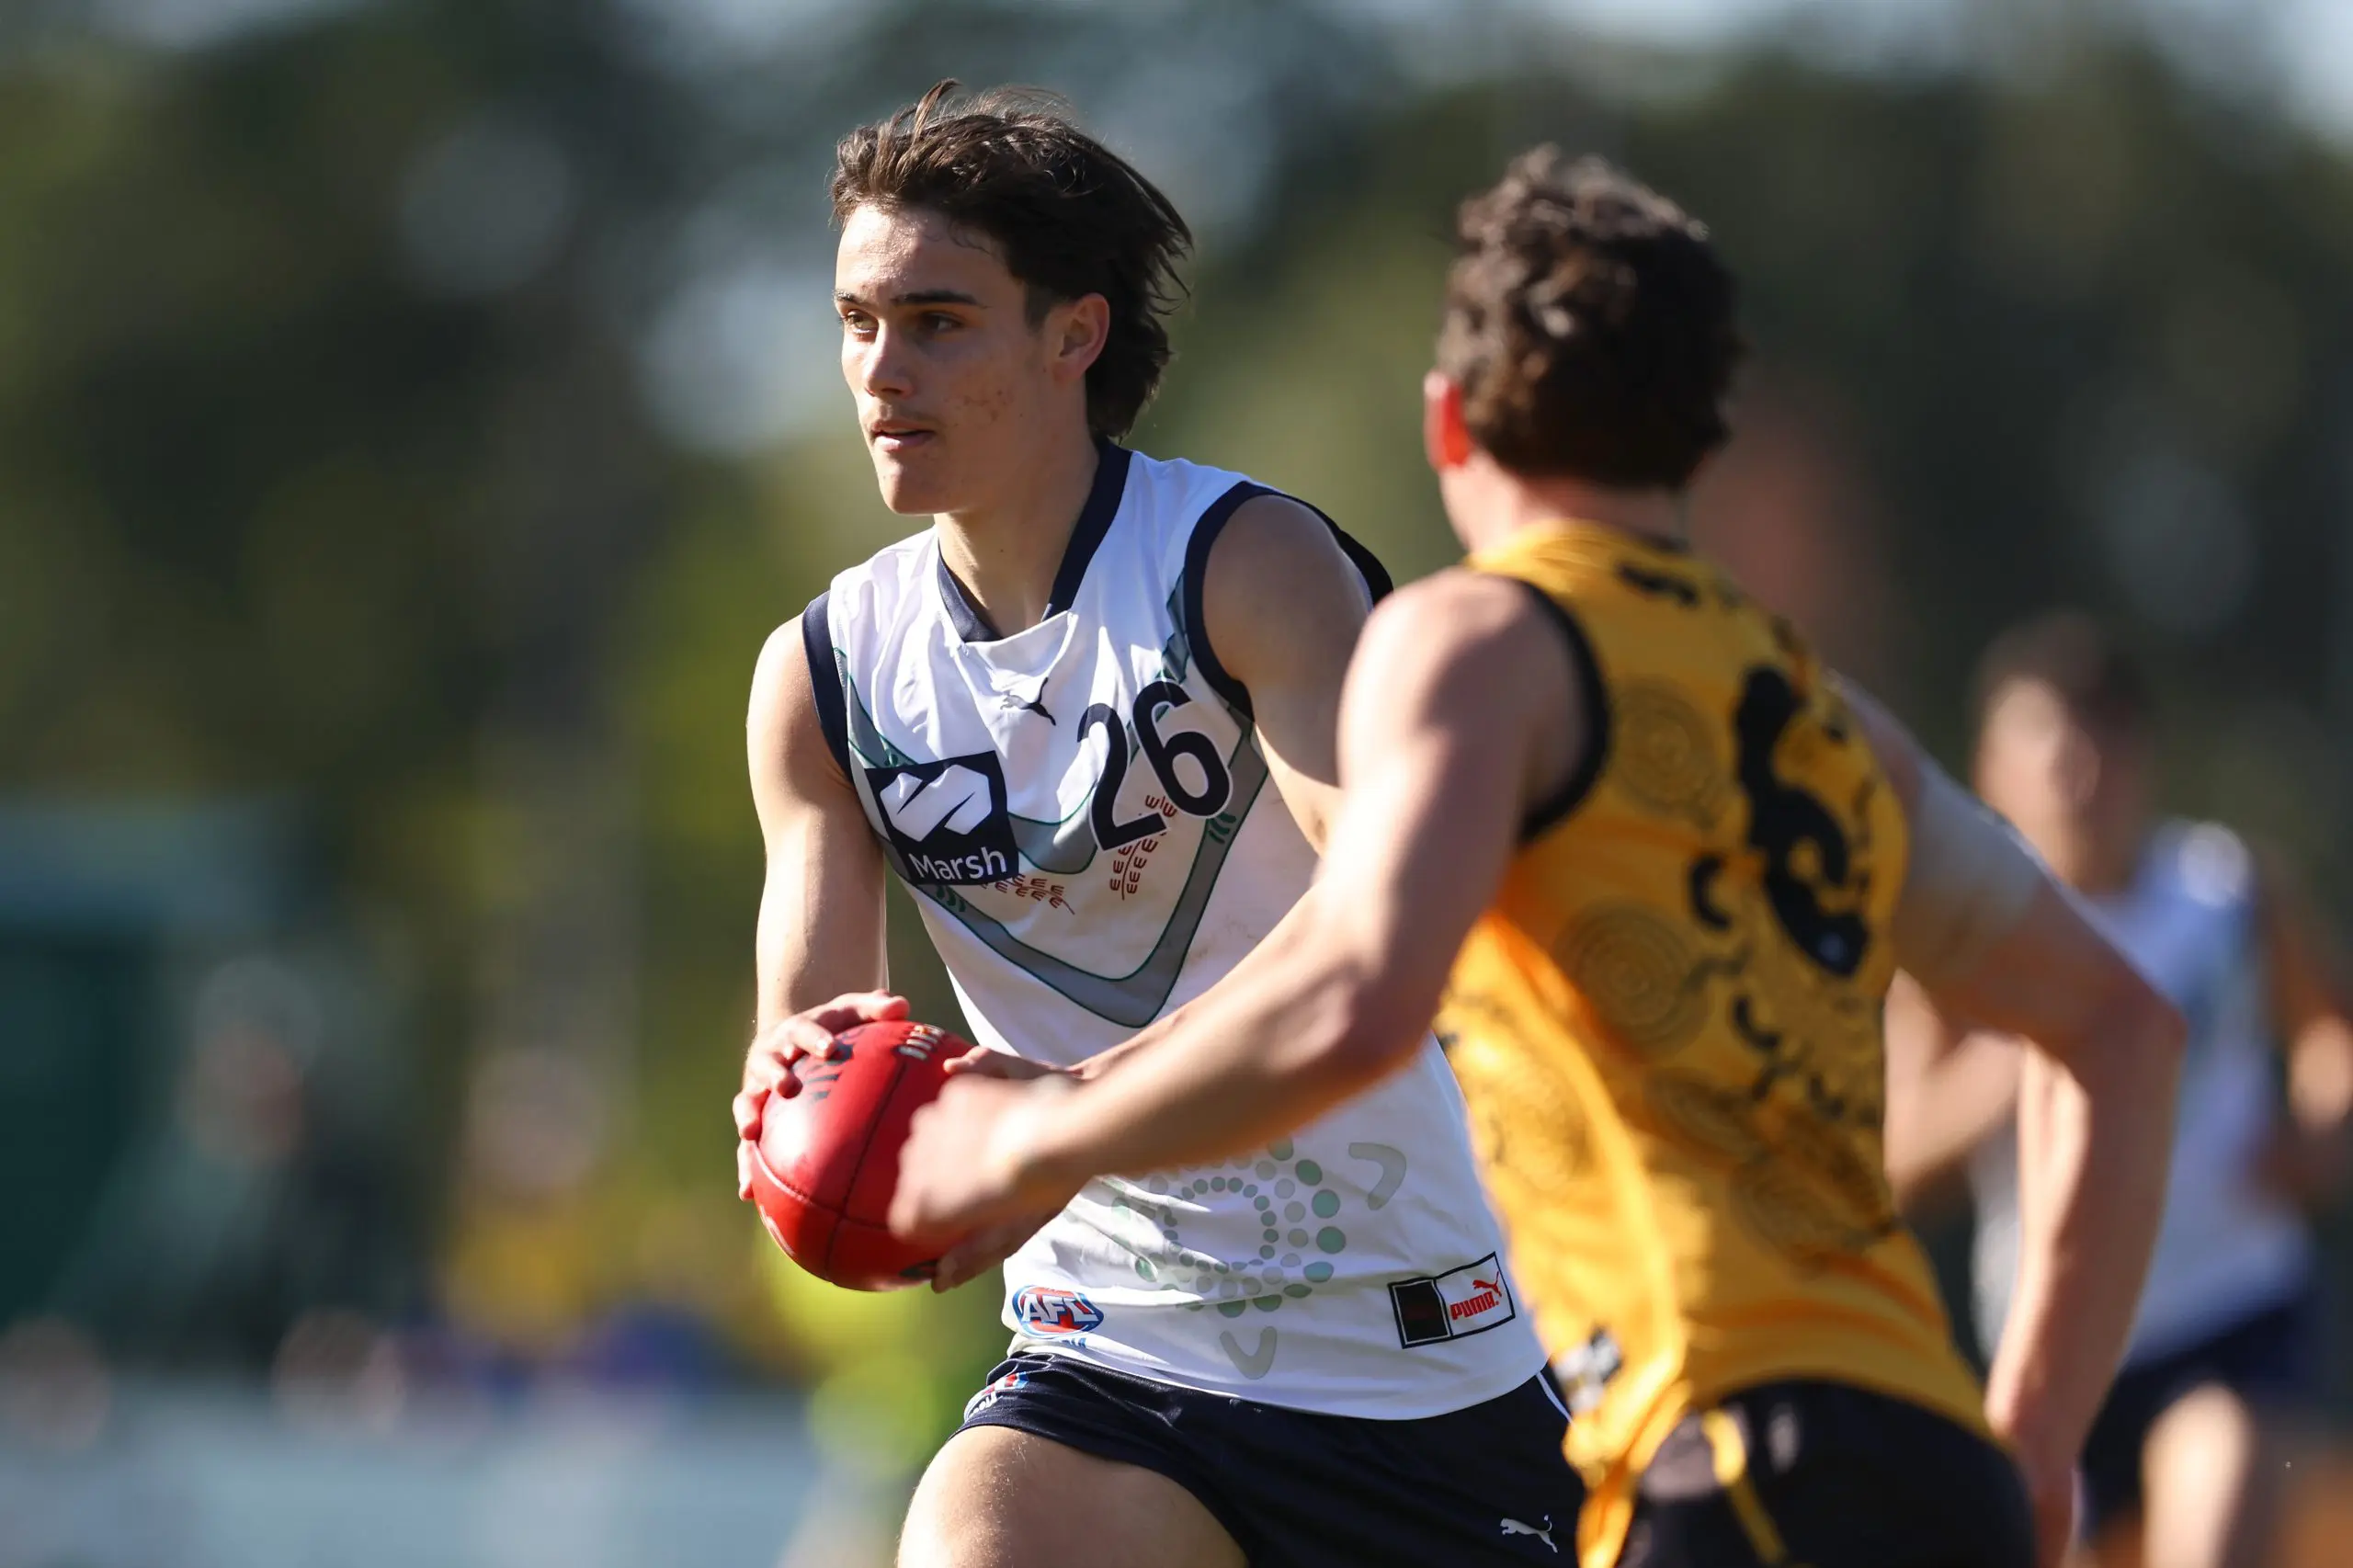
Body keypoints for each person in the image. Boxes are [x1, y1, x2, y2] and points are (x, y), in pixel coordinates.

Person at [888, 148, 2188, 1568]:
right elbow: (2122, 1025)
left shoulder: (1477, 646)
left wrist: (1035, 1134)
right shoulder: (1820, 714)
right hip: (1928, 1452)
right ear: (1700, 442)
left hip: (1726, 1451)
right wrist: (2041, 1440)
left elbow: (1359, 992)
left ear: (1450, 426)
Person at [733, 84, 1585, 1568]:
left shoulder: (1247, 566)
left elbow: (1384, 921)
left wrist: (1064, 1124)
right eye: (858, 321)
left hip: (1420, 1351)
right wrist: (835, 1156)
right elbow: (811, 1058)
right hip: (1102, 1357)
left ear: (1077, 334)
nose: (881, 370)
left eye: (937, 321)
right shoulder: (822, 682)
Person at [1882, 612, 2353, 1568]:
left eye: (2101, 740)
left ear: (2141, 753)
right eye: (2047, 745)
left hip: (2228, 1313)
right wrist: (2045, 1048)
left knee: (2213, 1504)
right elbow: (1894, 1157)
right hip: (2051, 1351)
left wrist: (2318, 1135)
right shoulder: (1963, 939)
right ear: (1990, 770)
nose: (2077, 773)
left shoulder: (2223, 888)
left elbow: (2331, 1037)